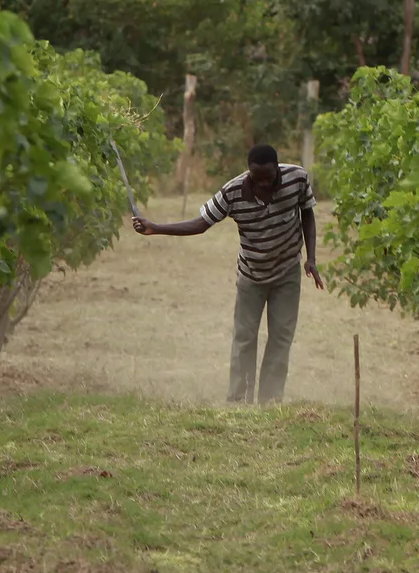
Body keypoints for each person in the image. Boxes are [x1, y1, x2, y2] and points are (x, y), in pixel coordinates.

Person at [129, 144, 322, 404]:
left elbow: (307, 212)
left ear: (278, 169)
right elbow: (200, 224)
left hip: (287, 271)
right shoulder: (232, 192)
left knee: (281, 336)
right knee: (244, 338)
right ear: (248, 172)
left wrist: (311, 258)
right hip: (251, 276)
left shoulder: (296, 178)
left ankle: (271, 401)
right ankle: (239, 402)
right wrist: (156, 228)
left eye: (269, 177)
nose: (264, 184)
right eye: (257, 177)